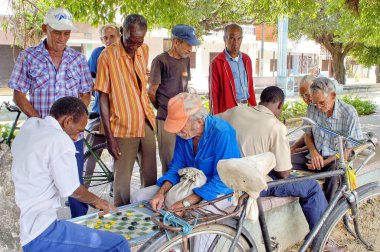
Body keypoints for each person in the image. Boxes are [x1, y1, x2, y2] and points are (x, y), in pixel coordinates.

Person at [11, 97, 130, 252]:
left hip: (17, 221)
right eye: (79, 131)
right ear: (67, 121)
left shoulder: (31, 126)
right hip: (35, 231)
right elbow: (72, 190)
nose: (76, 137)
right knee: (118, 244)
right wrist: (100, 202)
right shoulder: (59, 139)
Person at [8, 7, 92, 218]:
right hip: (41, 137)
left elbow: (85, 94)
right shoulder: (29, 56)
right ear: (45, 29)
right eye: (57, 32)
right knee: (41, 183)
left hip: (72, 137)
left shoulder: (78, 59)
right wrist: (43, 124)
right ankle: (45, 226)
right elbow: (18, 95)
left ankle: (80, 224)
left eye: (66, 33)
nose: (62, 38)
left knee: (76, 185)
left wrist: (73, 123)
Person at [218, 86, 329, 233]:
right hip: (251, 183)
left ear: (261, 100)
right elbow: (283, 173)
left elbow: (211, 124)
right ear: (280, 105)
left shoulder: (235, 111)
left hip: (225, 174)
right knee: (312, 187)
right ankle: (323, 241)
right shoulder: (276, 127)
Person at [130, 92, 240, 211]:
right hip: (188, 183)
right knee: (138, 197)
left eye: (181, 126)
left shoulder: (222, 133)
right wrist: (160, 193)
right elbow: (177, 167)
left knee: (195, 214)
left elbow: (223, 180)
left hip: (218, 190)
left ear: (199, 121)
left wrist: (184, 203)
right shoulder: (184, 134)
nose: (177, 131)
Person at [94, 14, 157, 207]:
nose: (134, 46)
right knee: (122, 182)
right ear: (122, 32)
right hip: (122, 126)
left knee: (151, 176)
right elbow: (103, 96)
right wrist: (109, 136)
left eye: (139, 41)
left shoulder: (143, 50)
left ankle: (148, 216)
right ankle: (122, 221)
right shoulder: (107, 56)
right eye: (131, 40)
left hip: (145, 121)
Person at [292, 77, 363, 203]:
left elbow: (349, 150)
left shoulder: (349, 113)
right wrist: (313, 153)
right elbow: (308, 134)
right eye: (315, 103)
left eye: (322, 103)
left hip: (335, 160)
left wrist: (324, 163)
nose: (318, 107)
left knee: (334, 175)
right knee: (283, 161)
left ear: (333, 95)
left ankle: (329, 217)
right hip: (314, 157)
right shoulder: (312, 108)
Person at [148, 24, 200, 174]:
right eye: (188, 45)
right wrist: (164, 108)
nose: (190, 49)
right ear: (176, 42)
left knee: (185, 160)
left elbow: (184, 87)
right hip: (166, 119)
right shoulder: (160, 61)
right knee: (170, 163)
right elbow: (151, 92)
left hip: (184, 119)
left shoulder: (185, 60)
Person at [85, 24, 120, 185]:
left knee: (118, 152)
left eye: (112, 36)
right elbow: (90, 80)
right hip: (99, 110)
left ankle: (115, 185)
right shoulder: (97, 53)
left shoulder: (124, 53)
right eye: (105, 37)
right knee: (92, 151)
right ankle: (84, 185)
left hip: (120, 114)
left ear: (119, 36)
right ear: (101, 39)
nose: (109, 40)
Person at [209, 23, 257, 115]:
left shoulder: (246, 60)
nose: (236, 43)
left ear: (242, 39)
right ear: (225, 39)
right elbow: (213, 93)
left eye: (239, 39)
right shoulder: (217, 62)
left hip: (247, 108)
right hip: (229, 110)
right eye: (232, 38)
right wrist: (215, 118)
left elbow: (250, 86)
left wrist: (254, 107)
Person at [290, 75, 315, 154]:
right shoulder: (311, 108)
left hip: (320, 152)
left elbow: (321, 145)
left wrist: (297, 150)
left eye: (307, 95)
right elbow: (307, 133)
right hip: (312, 147)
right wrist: (293, 148)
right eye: (302, 96)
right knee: (286, 146)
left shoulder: (324, 108)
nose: (305, 99)